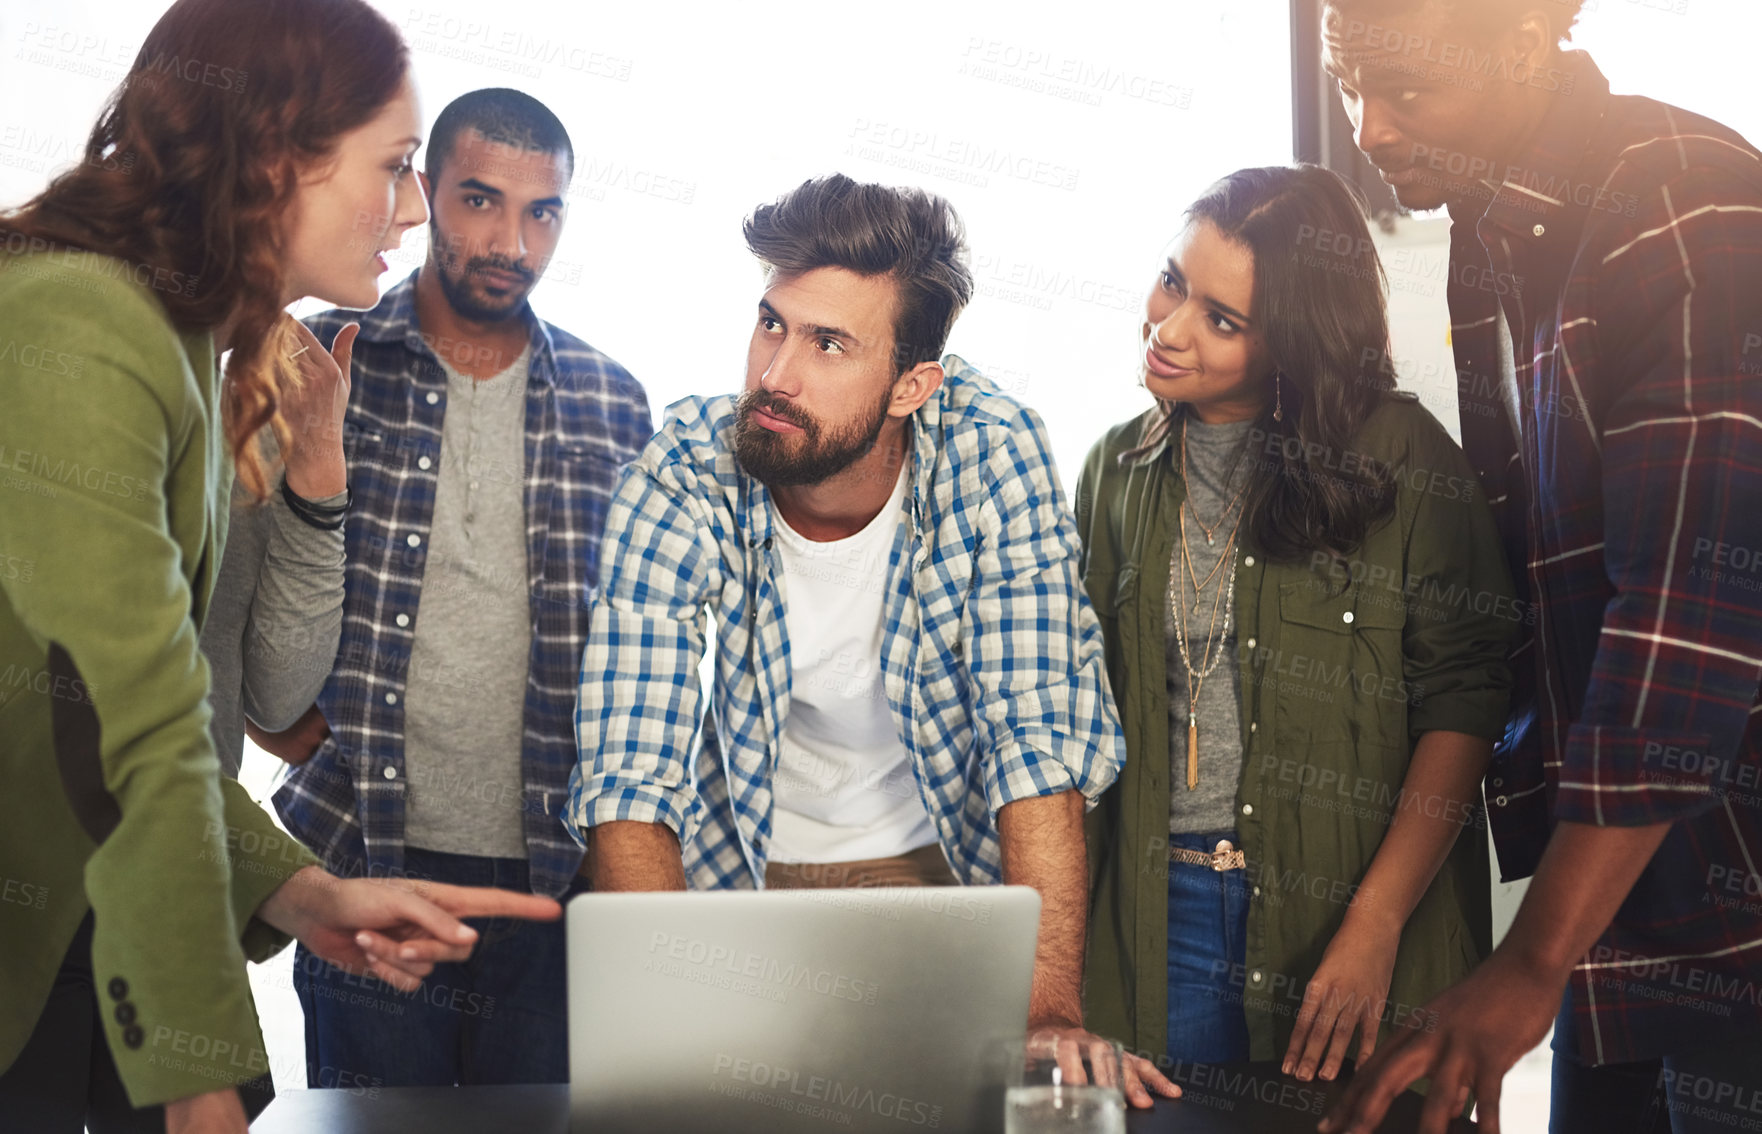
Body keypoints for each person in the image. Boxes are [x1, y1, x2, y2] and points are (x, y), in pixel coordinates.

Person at [0, 3, 562, 1133]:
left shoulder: (191, 343)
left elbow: (165, 716)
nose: (413, 207)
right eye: (398, 168)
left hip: (97, 934)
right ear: (275, 158)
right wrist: (189, 1068)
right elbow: (127, 724)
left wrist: (307, 896)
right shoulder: (80, 320)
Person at [566, 172, 1178, 1106]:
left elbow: (1037, 741)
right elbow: (629, 765)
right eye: (772, 323)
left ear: (911, 386)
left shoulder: (992, 449)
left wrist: (1046, 1008)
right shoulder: (685, 464)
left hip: (940, 876)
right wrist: (672, 1021)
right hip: (744, 876)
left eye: (828, 344)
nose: (775, 374)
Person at [1315, 3, 1762, 1133]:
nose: (1369, 130)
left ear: (1522, 44)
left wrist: (1527, 963)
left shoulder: (1680, 201)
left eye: (1406, 90)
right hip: (1626, 916)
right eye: (1351, 88)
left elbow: (1685, 612)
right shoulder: (1499, 224)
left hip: (1731, 914)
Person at [1077, 165, 1517, 1091]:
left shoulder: (1404, 460)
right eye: (1172, 281)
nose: (1168, 328)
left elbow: (1467, 703)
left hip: (1357, 915)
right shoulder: (1114, 470)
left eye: (1222, 321)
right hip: (1160, 924)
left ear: (1297, 342)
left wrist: (1375, 925)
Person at [262, 88, 653, 1088]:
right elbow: (238, 586)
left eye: (541, 212)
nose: (510, 241)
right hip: (365, 867)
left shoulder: (613, 399)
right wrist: (288, 729)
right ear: (425, 192)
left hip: (555, 885)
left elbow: (639, 645)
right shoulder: (321, 360)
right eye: (480, 201)